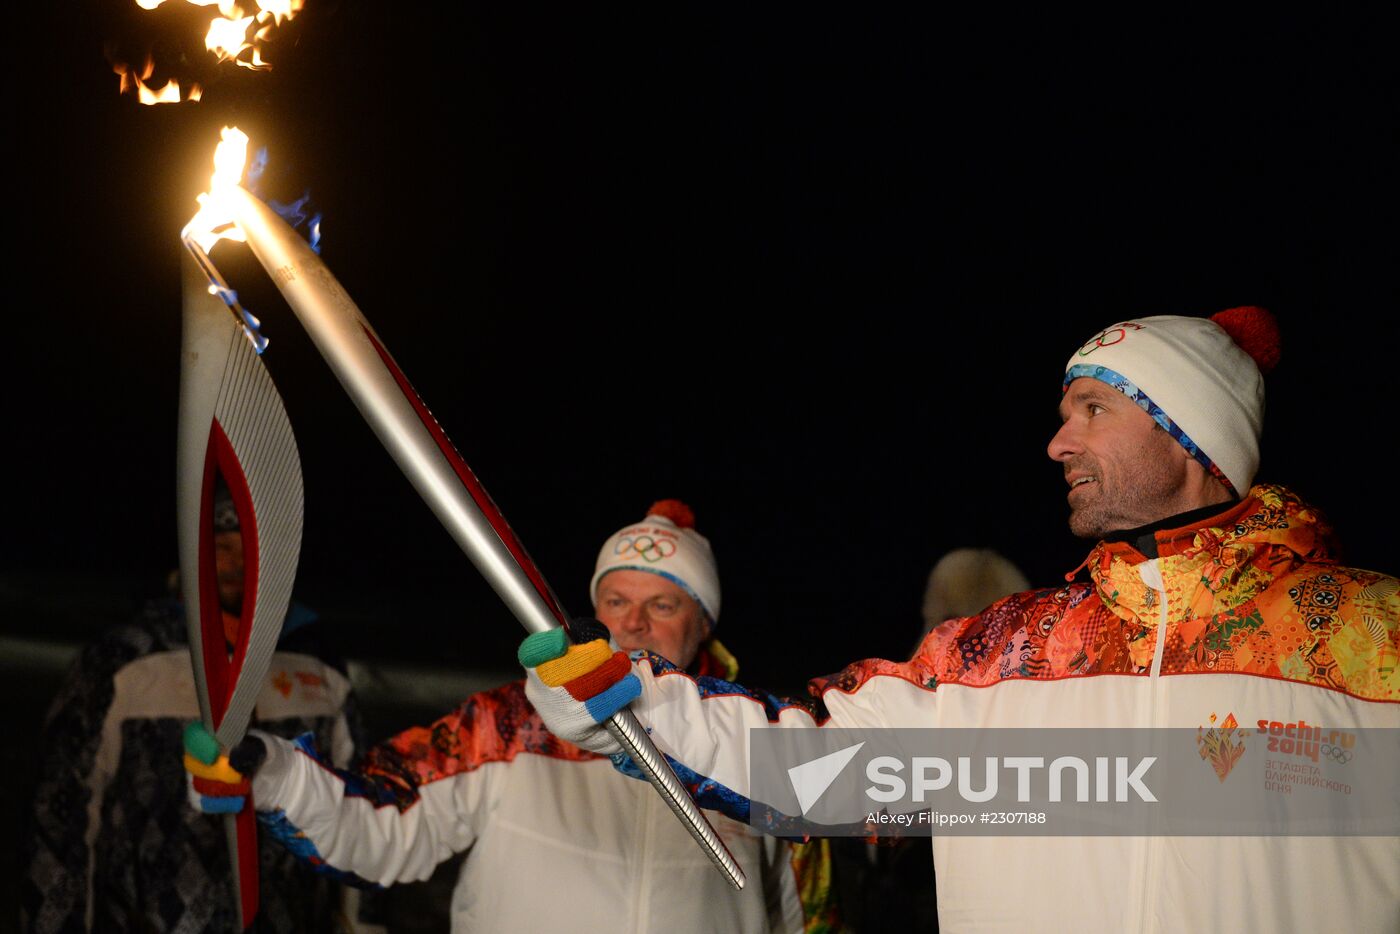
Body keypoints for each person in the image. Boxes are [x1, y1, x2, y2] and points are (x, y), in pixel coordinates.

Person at [519, 307, 1400, 932]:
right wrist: (628, 702)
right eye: (1063, 416)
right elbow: (810, 763)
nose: (1059, 442)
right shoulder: (1003, 653)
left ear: (1192, 436)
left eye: (1093, 410)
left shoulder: (1369, 641)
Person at [185, 500, 840, 933]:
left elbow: (803, 914)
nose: (633, 622)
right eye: (615, 599)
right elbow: (376, 825)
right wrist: (270, 777)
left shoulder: (756, 746)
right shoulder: (508, 724)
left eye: (664, 606)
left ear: (705, 625)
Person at [21, 483, 372, 933]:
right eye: (218, 547)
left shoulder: (317, 668)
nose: (234, 562)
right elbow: (61, 809)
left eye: (247, 547)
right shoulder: (124, 660)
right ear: (188, 555)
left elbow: (362, 804)